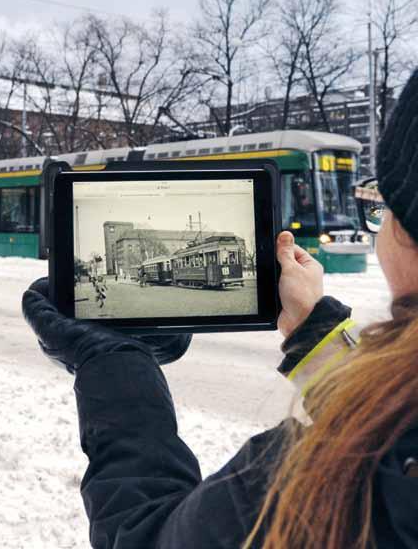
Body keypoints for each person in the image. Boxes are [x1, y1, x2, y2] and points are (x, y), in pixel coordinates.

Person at [22, 71, 418, 548]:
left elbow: (147, 536)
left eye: (384, 206)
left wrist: (113, 363)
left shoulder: (336, 478)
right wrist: (316, 329)